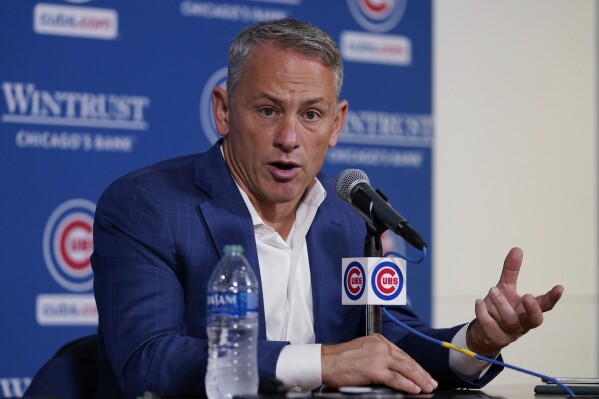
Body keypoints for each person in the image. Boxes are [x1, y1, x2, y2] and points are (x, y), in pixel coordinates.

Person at [90, 18, 564, 399]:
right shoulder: (147, 206)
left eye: (311, 114)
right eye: (268, 110)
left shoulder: (347, 220)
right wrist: (324, 362)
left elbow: (390, 339)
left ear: (336, 123)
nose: (289, 139)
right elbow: (149, 360)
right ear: (223, 110)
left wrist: (475, 344)